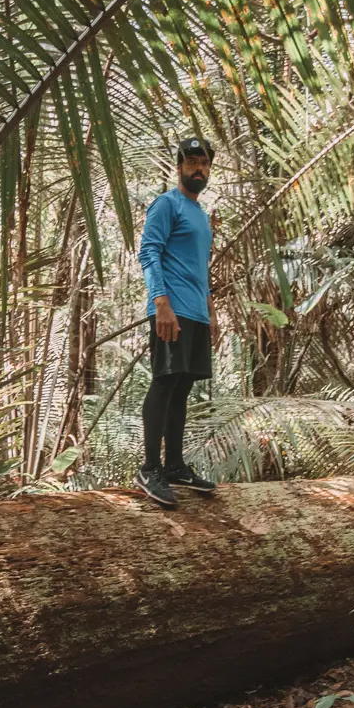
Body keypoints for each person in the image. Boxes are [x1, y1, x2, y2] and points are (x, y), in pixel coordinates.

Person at [135, 137, 219, 508]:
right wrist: (161, 302)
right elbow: (149, 252)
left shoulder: (199, 213)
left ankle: (174, 466)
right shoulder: (167, 205)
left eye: (203, 163)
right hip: (170, 308)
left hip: (195, 311)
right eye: (191, 162)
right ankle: (149, 468)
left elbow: (200, 265)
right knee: (164, 382)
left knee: (183, 387)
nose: (197, 168)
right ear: (179, 166)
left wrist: (210, 308)